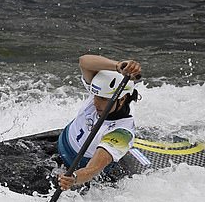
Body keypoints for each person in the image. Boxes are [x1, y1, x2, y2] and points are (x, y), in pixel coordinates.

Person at [57, 54, 142, 191]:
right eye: (95, 96)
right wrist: (118, 66)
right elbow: (84, 61)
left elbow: (93, 168)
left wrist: (74, 178)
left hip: (74, 168)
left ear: (122, 99)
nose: (96, 102)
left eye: (103, 99)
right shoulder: (101, 90)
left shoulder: (122, 133)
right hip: (59, 146)